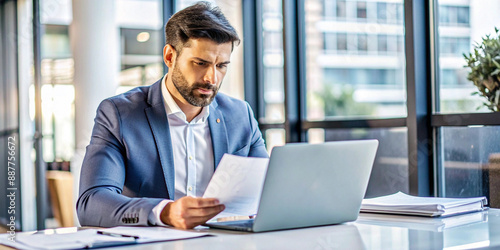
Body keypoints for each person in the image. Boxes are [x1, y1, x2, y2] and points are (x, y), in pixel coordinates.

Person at [76, 2, 268, 229]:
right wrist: (165, 212)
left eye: (221, 66)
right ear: (169, 56)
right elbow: (92, 203)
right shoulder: (119, 114)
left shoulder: (240, 115)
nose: (212, 78)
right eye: (200, 63)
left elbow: (268, 190)